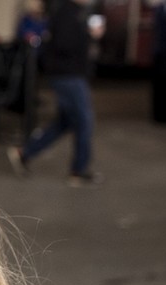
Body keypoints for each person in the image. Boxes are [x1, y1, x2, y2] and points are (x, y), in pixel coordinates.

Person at [8, 0, 106, 186]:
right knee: (84, 120)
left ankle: (24, 153)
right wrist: (89, 34)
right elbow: (63, 43)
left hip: (70, 74)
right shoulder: (66, 13)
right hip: (68, 75)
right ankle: (78, 171)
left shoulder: (77, 12)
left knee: (65, 122)